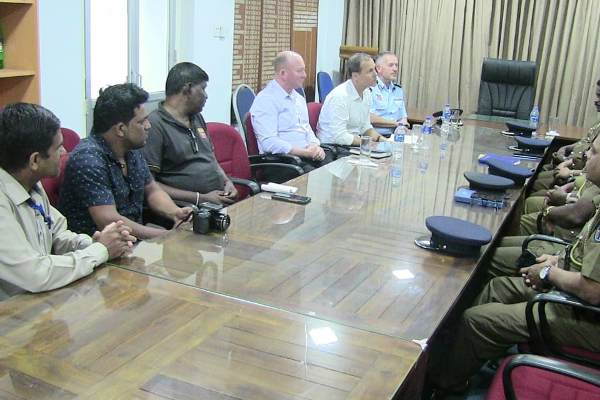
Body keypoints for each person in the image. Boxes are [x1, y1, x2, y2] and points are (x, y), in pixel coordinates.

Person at [427, 133, 600, 398]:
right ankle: (453, 351)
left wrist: (548, 272)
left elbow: (592, 290)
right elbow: (583, 251)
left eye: (595, 153)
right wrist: (557, 259)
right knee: (496, 288)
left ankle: (440, 384)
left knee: (477, 321)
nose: (588, 154)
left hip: (585, 316)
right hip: (575, 294)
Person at [0, 102, 136, 294]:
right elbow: (35, 274)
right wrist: (100, 251)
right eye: (58, 148)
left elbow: (57, 236)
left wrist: (101, 244)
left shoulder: (29, 182)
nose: (64, 152)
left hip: (39, 298)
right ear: (35, 160)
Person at [59, 83, 192, 240]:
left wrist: (175, 212)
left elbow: (152, 190)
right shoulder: (88, 159)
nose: (148, 126)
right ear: (120, 129)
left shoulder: (131, 149)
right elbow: (108, 220)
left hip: (133, 241)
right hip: (99, 248)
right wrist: (167, 236)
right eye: (142, 122)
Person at [141, 62, 238, 206]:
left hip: (216, 202)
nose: (206, 96)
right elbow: (150, 185)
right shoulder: (155, 125)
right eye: (203, 89)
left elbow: (211, 159)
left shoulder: (196, 117)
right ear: (187, 90)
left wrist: (227, 182)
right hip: (186, 208)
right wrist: (200, 198)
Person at [250, 51, 332, 173]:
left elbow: (306, 129)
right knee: (318, 177)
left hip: (306, 156)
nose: (304, 75)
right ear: (283, 74)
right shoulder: (266, 100)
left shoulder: (298, 98)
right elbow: (269, 143)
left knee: (336, 166)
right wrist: (304, 152)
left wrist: (315, 145)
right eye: (299, 71)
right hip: (282, 161)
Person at [316, 53, 388, 146]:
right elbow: (339, 137)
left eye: (374, 69)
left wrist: (383, 140)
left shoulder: (367, 93)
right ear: (355, 76)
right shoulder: (340, 96)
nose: (375, 74)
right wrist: (372, 144)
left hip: (353, 145)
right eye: (370, 71)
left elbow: (365, 128)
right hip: (333, 147)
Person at [369, 51, 409, 137]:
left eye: (396, 65)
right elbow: (368, 117)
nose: (395, 69)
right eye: (391, 65)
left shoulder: (398, 90)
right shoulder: (369, 88)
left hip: (393, 135)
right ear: (378, 69)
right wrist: (395, 124)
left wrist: (402, 127)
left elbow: (402, 117)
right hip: (373, 136)